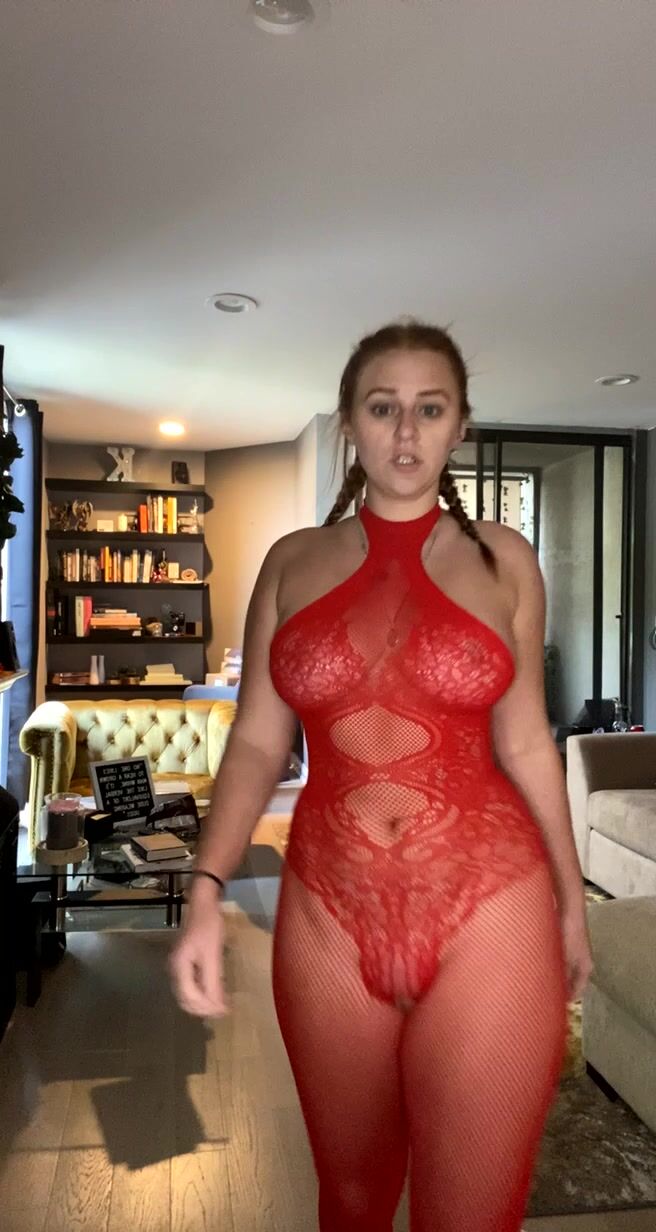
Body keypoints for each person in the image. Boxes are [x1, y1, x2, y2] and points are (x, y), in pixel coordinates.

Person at [170, 319, 593, 1232]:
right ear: (350, 422)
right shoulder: (291, 562)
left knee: (472, 1212)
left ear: (460, 427)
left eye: (430, 410)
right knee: (353, 1201)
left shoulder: (506, 561)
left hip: (489, 905)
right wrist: (204, 889)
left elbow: (528, 742)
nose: (406, 431)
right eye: (383, 407)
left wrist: (572, 898)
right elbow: (256, 744)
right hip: (328, 909)